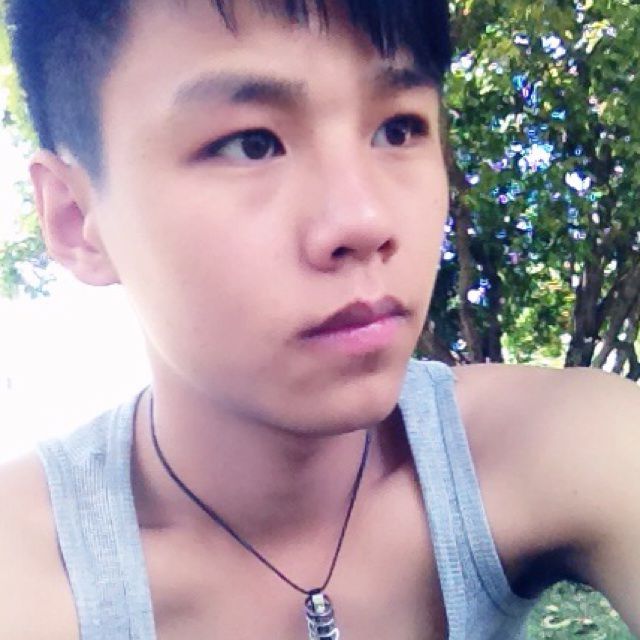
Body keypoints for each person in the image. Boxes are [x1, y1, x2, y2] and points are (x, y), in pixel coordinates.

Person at [1, 0, 639, 638]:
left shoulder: (549, 439)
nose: (364, 221)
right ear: (74, 217)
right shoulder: (26, 568)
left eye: (398, 130)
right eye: (251, 144)